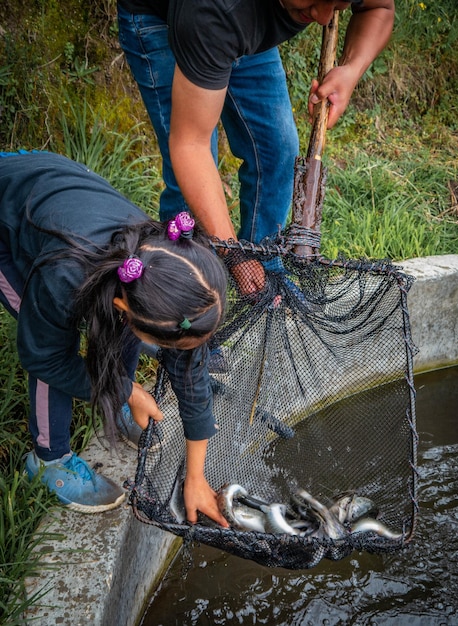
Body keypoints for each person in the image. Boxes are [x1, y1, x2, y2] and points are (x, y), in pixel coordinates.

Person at [0, 150, 229, 526]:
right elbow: (44, 358)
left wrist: (196, 477)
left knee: (126, 326)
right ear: (122, 304)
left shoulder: (154, 270)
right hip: (10, 224)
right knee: (50, 341)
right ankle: (47, 460)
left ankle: (112, 395)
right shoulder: (62, 280)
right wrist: (127, 390)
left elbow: (191, 373)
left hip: (54, 187)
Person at [117, 0, 395, 295]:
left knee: (277, 151)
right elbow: (190, 146)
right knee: (190, 192)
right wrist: (234, 254)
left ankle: (265, 277)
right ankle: (183, 298)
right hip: (166, 20)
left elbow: (378, 8)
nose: (323, 17)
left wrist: (350, 70)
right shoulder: (213, 11)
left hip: (239, 23)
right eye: (315, 0)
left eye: (338, 5)